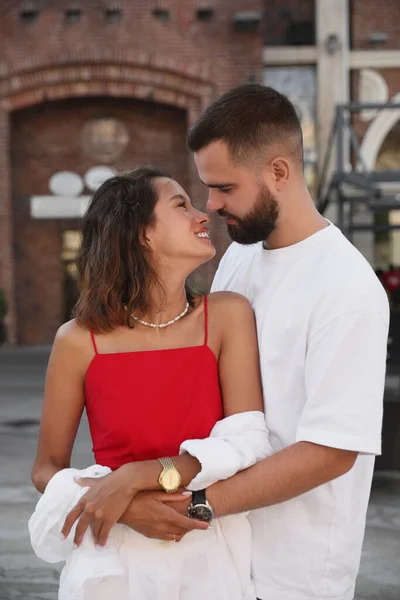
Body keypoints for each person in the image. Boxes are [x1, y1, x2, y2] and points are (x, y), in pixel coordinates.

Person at [119, 85, 390, 600]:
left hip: (292, 573)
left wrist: (194, 503)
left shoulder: (347, 288)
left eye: (224, 188)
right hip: (218, 558)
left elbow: (331, 451)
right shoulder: (241, 257)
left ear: (279, 172)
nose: (210, 204)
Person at [29, 166, 272, 600]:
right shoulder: (79, 340)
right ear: (142, 233)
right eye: (181, 204)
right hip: (113, 562)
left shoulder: (227, 316)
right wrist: (126, 507)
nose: (203, 215)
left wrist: (143, 476)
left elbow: (249, 440)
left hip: (210, 549)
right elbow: (46, 468)